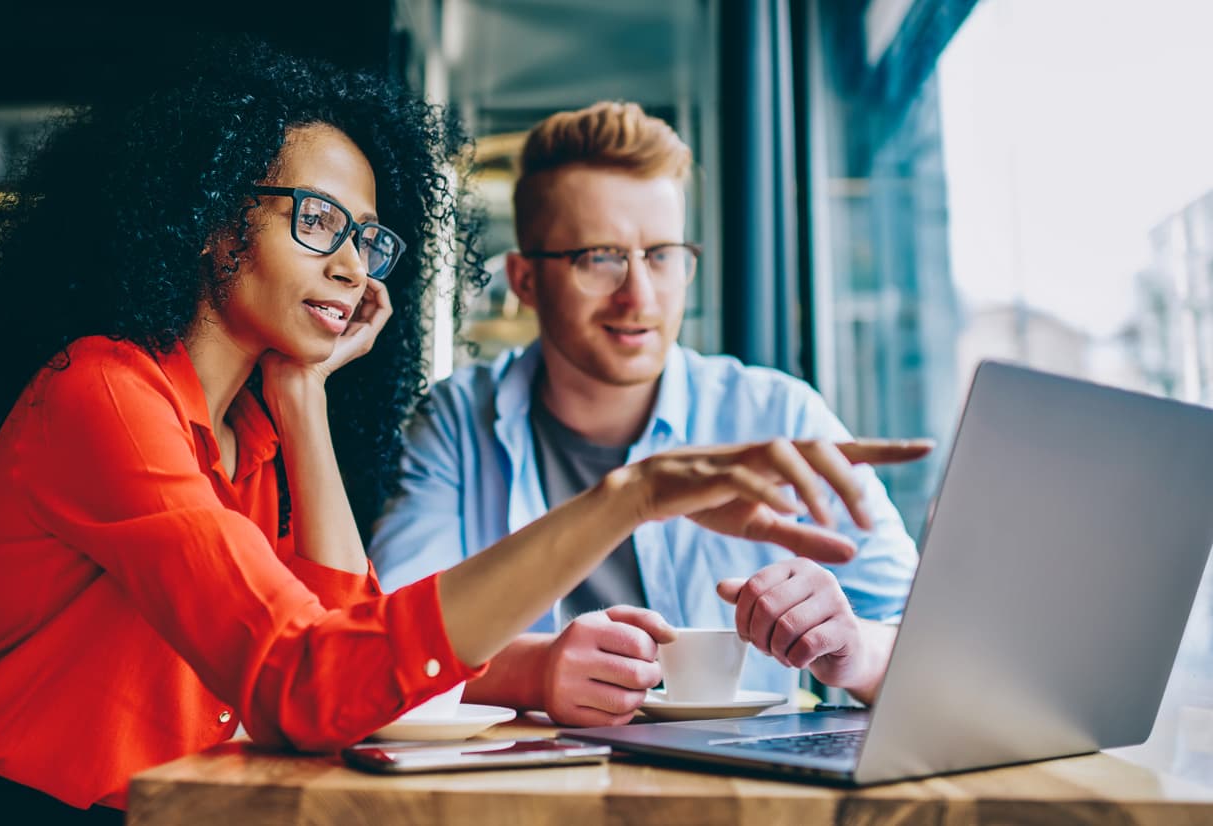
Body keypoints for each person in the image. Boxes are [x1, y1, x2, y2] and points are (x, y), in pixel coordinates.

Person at [0, 45, 925, 821]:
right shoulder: (103, 393)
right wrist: (627, 498)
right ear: (209, 220)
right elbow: (310, 681)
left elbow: (342, 652)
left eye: (367, 237)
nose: (354, 269)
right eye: (315, 222)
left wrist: (306, 400)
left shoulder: (256, 436)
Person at [369, 101, 927, 727]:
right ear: (525, 280)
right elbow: (384, 643)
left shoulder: (777, 414)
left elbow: (932, 642)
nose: (640, 295)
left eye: (662, 255)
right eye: (599, 258)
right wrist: (536, 669)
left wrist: (853, 652)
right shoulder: (456, 421)